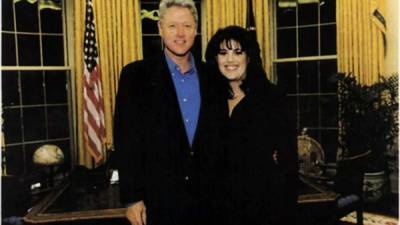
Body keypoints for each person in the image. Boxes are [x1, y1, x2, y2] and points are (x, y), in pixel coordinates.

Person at [113, 1, 224, 225]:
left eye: (187, 26)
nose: (180, 34)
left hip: (210, 202)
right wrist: (132, 199)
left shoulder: (214, 75)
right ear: (160, 29)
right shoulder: (136, 75)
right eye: (172, 26)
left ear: (196, 30)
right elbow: (126, 140)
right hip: (158, 204)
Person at [205, 25, 299, 225]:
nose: (230, 59)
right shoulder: (209, 100)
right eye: (223, 53)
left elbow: (288, 165)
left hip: (262, 209)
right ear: (215, 59)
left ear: (249, 57)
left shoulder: (273, 98)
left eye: (237, 52)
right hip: (216, 210)